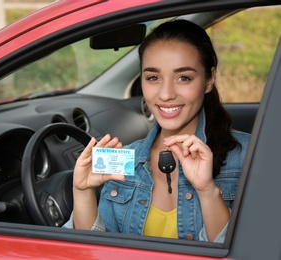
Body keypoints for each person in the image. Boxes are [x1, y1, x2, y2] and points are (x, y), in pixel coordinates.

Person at [63, 19, 250, 243]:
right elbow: (92, 252)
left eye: (183, 78)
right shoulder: (124, 162)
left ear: (209, 79)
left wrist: (208, 191)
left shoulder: (250, 156)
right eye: (153, 77)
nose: (166, 94)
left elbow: (254, 249)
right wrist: (82, 192)